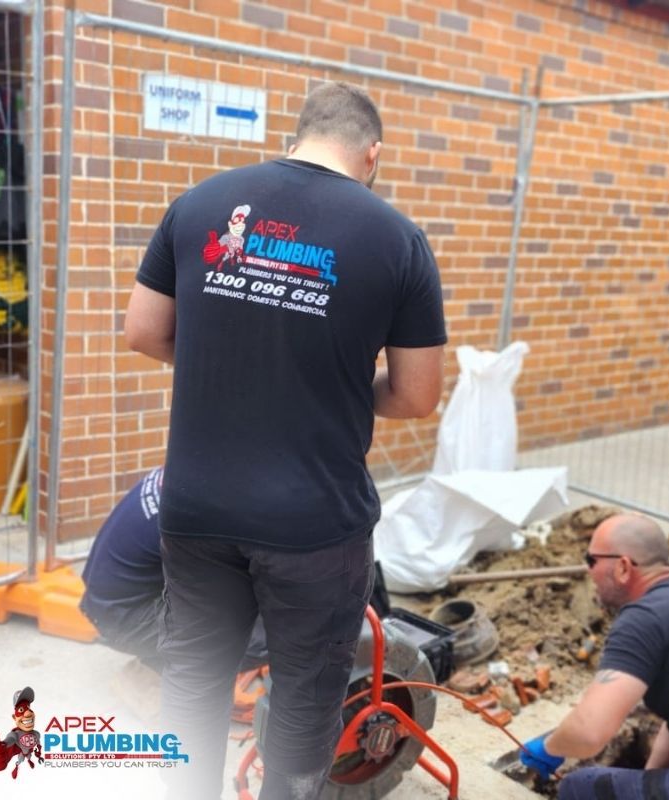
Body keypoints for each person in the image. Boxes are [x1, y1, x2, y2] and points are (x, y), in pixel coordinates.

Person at [124, 81, 446, 800]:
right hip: (315, 528)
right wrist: (319, 383)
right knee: (303, 707)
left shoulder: (201, 202)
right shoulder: (397, 238)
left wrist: (236, 366)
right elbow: (418, 395)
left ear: (296, 135)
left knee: (193, 685)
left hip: (198, 508)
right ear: (374, 154)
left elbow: (143, 332)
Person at [520, 513, 669, 799]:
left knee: (580, 787)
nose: (588, 572)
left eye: (592, 561)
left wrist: (549, 747)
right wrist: (649, 780)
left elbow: (589, 731)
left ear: (623, 567)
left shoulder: (644, 617)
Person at [79, 466, 266, 673]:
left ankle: (164, 663)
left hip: (108, 603)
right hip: (122, 619)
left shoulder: (190, 468)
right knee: (269, 637)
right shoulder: (200, 513)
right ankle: (176, 678)